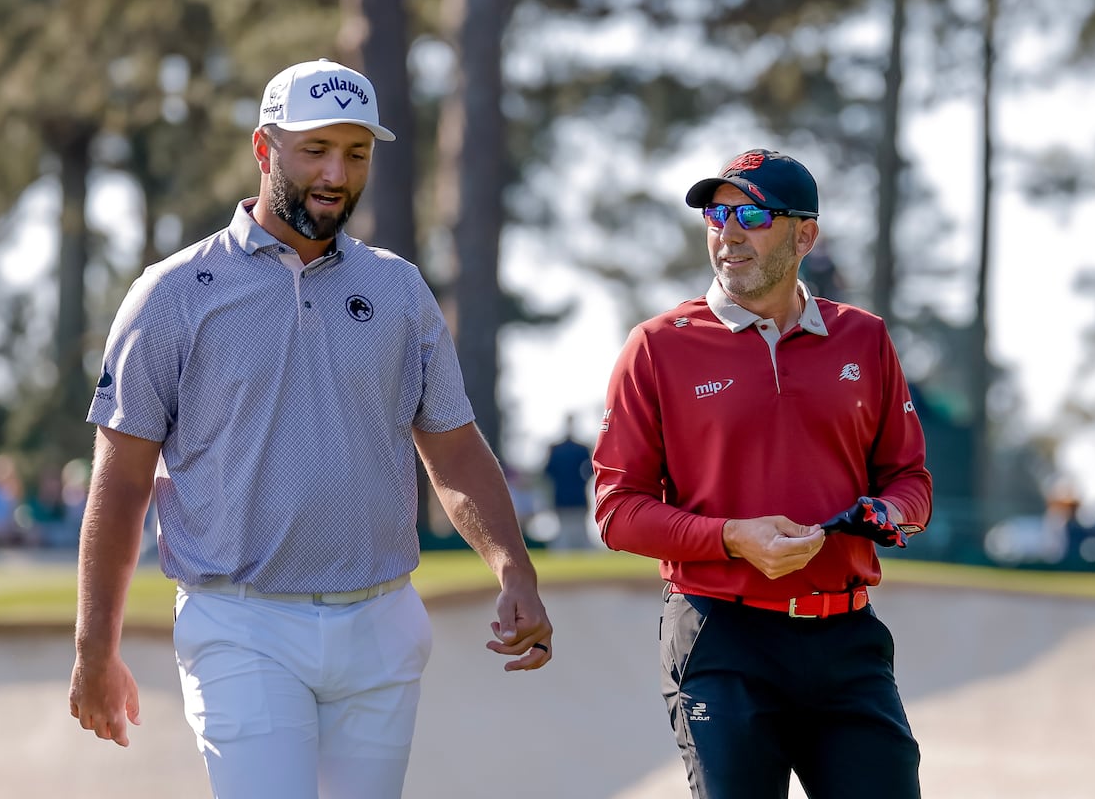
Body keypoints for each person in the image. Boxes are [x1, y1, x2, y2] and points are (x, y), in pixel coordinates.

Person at [68, 59, 553, 799]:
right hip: (241, 624)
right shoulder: (172, 293)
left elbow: (452, 448)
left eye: (356, 153)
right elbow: (122, 479)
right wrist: (94, 647)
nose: (337, 172)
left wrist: (514, 568)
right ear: (266, 151)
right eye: (316, 149)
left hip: (382, 619)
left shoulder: (397, 290)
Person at [592, 149, 933, 799]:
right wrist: (731, 537)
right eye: (716, 213)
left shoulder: (865, 339)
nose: (729, 231)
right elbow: (617, 510)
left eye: (751, 213)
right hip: (723, 639)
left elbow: (910, 479)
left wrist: (889, 514)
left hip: (846, 639)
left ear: (805, 235)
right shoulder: (658, 347)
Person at [542, 414, 594, 549]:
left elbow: (547, 472)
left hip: (571, 497)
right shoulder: (578, 449)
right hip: (568, 497)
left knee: (576, 533)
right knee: (567, 534)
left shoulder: (576, 449)